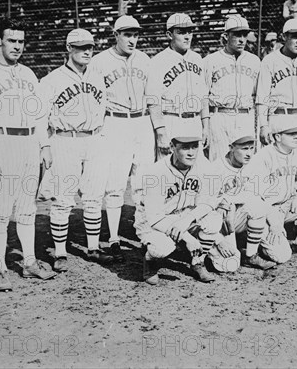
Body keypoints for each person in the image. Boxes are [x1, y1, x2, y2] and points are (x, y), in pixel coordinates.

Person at [0, 18, 56, 291]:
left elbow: (40, 116)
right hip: (1, 141)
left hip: (29, 142)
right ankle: (1, 268)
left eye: (21, 41)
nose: (17, 46)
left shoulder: (28, 74)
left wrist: (44, 145)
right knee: (2, 210)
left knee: (28, 209)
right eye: (12, 41)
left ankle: (29, 262)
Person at [37, 29, 111, 269]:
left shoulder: (98, 77)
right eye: (80, 47)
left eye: (90, 46)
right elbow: (39, 118)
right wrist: (45, 145)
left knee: (93, 196)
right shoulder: (51, 80)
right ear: (68, 49)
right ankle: (59, 253)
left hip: (94, 139)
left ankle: (92, 248)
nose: (87, 51)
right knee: (63, 198)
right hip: (65, 139)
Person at [88, 15, 154, 262]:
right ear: (115, 35)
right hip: (114, 121)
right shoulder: (100, 61)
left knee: (144, 182)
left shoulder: (145, 60)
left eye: (135, 34)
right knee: (115, 184)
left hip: (141, 121)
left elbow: (152, 95)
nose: (132, 39)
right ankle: (114, 237)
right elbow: (93, 97)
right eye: (127, 34)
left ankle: (145, 233)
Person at [135, 124, 222, 284]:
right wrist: (187, 237)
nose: (191, 153)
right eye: (185, 147)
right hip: (155, 221)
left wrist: (187, 220)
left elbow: (209, 201)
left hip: (184, 215)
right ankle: (149, 260)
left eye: (194, 146)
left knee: (214, 221)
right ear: (172, 146)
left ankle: (197, 262)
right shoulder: (156, 172)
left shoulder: (203, 165)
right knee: (163, 248)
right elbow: (154, 217)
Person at [242, 121, 297, 258]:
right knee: (281, 256)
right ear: (277, 137)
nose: (296, 137)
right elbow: (256, 197)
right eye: (291, 134)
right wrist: (274, 222)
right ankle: (256, 244)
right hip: (268, 211)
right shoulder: (263, 156)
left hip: (288, 205)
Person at [207, 131, 278, 272]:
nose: (249, 153)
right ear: (231, 147)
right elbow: (205, 203)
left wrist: (229, 202)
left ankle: (250, 255)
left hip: (236, 216)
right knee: (229, 266)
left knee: (280, 255)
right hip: (217, 221)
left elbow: (256, 195)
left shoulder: (254, 166)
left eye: (252, 148)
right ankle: (209, 249)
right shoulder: (215, 168)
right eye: (244, 148)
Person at [146, 13, 209, 161]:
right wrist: (161, 132)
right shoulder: (158, 61)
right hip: (171, 120)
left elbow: (203, 97)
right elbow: (153, 100)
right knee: (168, 171)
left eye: (190, 32)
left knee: (195, 172)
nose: (187, 36)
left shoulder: (197, 59)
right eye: (181, 32)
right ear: (169, 34)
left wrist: (206, 126)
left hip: (194, 121)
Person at [256, 18, 297, 153]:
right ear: (284, 36)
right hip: (280, 117)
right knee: (278, 165)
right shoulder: (269, 61)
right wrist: (263, 125)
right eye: (294, 37)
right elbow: (262, 97)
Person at [203, 15, 259, 162]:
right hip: (220, 116)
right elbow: (202, 96)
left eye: (244, 35)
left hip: (245, 116)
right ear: (226, 36)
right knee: (219, 163)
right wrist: (205, 126)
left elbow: (258, 96)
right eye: (237, 35)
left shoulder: (254, 61)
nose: (242, 40)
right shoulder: (210, 61)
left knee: (246, 165)